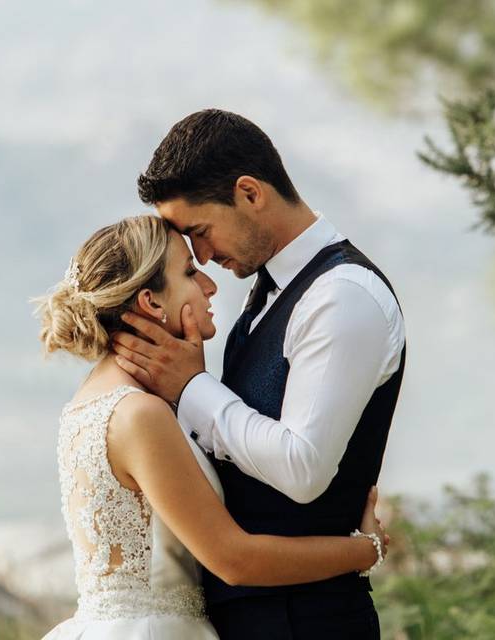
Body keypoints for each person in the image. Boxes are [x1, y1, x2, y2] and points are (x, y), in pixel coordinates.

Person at [112, 110, 407, 639]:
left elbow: (302, 468)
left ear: (250, 193)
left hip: (310, 622)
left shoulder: (341, 296)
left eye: (199, 232)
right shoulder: (268, 293)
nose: (199, 257)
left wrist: (190, 388)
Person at [34, 215, 389, 640]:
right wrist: (366, 549)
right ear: (151, 303)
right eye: (188, 272)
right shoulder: (140, 414)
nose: (210, 286)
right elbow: (235, 560)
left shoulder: (91, 402)